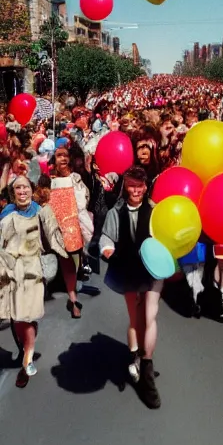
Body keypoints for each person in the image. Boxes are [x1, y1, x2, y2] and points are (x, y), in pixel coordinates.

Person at [100, 166, 163, 409]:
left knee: (150, 315)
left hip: (152, 269)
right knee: (135, 317)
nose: (135, 190)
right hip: (127, 268)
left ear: (146, 186)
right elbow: (106, 237)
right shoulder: (117, 211)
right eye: (131, 185)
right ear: (125, 187)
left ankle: (147, 370)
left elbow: (166, 235)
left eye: (140, 185)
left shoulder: (157, 210)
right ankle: (135, 355)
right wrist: (107, 249)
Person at [0, 175, 67, 387]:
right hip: (10, 271)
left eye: (25, 187)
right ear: (13, 192)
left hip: (32, 270)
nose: (22, 191)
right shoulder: (7, 213)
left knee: (25, 318)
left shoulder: (41, 211)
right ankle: (26, 345)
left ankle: (27, 358)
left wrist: (63, 251)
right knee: (16, 317)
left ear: (32, 189)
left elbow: (54, 236)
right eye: (18, 188)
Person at [49, 146, 93, 318]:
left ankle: (72, 292)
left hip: (74, 226)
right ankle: (73, 298)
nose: (63, 159)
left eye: (65, 155)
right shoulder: (48, 180)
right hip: (56, 227)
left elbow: (85, 199)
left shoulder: (76, 179)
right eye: (59, 156)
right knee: (65, 263)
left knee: (74, 264)